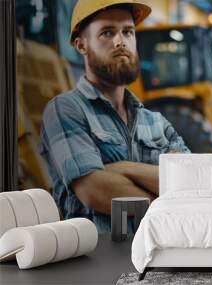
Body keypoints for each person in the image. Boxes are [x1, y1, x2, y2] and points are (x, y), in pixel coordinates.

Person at [39, 0, 190, 233]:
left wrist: (121, 168)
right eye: (107, 32)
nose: (121, 41)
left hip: (159, 256)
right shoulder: (66, 110)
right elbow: (94, 191)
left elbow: (190, 184)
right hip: (98, 261)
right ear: (81, 45)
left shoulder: (157, 122)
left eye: (128, 32)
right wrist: (166, 201)